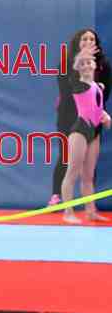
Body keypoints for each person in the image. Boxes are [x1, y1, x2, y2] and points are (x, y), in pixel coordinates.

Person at [50, 29, 111, 205]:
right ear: (78, 42)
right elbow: (67, 89)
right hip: (69, 116)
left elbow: (104, 93)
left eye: (92, 39)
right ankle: (57, 196)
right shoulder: (67, 63)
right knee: (66, 157)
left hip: (92, 118)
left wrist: (100, 112)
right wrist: (81, 62)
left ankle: (89, 204)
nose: (88, 42)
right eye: (84, 39)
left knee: (89, 164)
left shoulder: (103, 65)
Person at [61, 51, 111, 224]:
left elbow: (96, 107)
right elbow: (70, 74)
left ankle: (91, 211)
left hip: (94, 133)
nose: (86, 66)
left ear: (95, 65)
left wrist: (106, 116)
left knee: (88, 177)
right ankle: (68, 212)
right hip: (80, 132)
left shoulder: (98, 86)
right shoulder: (78, 85)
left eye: (89, 62)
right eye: (82, 64)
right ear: (78, 68)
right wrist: (81, 53)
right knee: (72, 173)